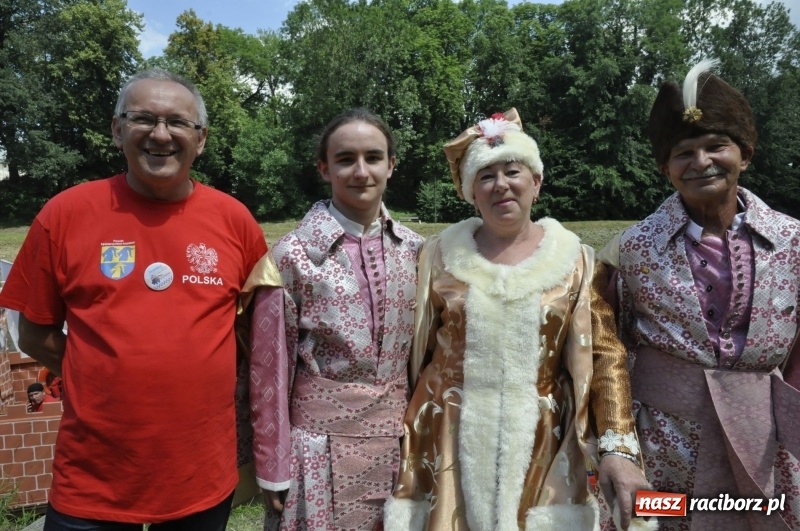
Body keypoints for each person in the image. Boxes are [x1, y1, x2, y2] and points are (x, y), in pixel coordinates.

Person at [0, 68, 274, 530]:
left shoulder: (235, 222)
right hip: (94, 479)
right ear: (117, 129)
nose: (160, 134)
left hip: (200, 476)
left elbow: (259, 336)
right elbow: (33, 331)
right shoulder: (65, 215)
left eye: (178, 123)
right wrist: (98, 373)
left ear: (201, 138)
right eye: (143, 118)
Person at [384, 109, 652, 530]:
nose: (501, 185)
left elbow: (604, 356)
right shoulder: (437, 257)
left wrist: (619, 447)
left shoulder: (576, 260)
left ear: (536, 182)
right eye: (485, 176)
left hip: (543, 436)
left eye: (513, 171)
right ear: (471, 191)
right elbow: (412, 348)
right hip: (446, 431)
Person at [598, 59, 800, 530]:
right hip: (663, 446)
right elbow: (608, 354)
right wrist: (618, 449)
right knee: (667, 520)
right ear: (664, 167)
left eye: (716, 146)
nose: (701, 162)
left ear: (745, 154)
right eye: (684, 152)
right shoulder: (631, 250)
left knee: (766, 519)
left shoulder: (795, 243)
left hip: (768, 443)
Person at [249, 108, 424, 530]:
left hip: (400, 450)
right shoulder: (291, 255)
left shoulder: (418, 251)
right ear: (324, 168)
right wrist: (273, 463)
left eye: (373, 157)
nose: (360, 171)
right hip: (316, 453)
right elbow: (269, 369)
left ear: (391, 165)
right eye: (345, 159)